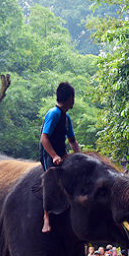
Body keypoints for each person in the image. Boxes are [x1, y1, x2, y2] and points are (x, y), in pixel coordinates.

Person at [39, 82, 82, 233]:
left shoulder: (66, 118)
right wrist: (54, 156)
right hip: (48, 152)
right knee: (50, 179)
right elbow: (44, 138)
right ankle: (46, 217)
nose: (74, 100)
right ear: (69, 98)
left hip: (61, 151)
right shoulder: (53, 113)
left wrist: (80, 157)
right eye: (73, 97)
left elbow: (72, 141)